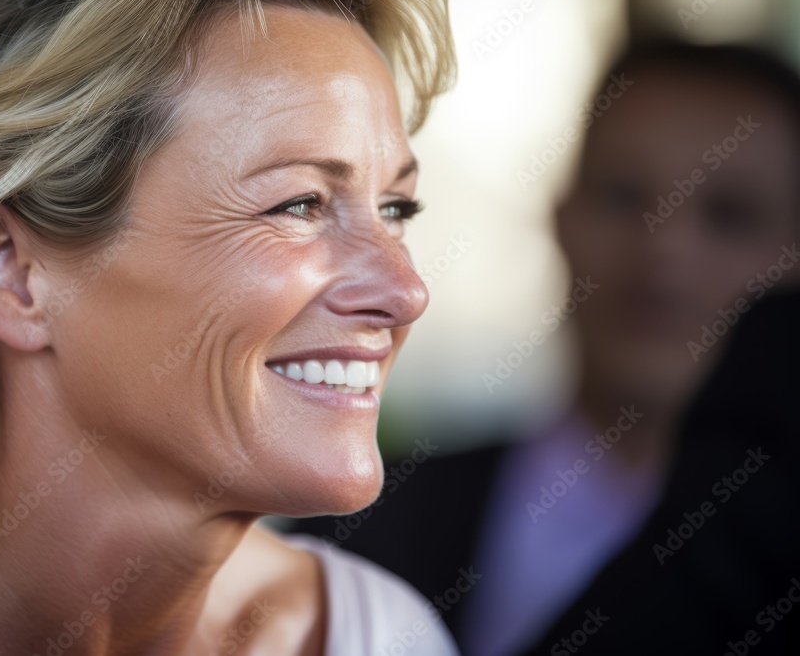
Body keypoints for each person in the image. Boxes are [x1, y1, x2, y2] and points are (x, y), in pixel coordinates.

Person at [0, 0, 459, 654]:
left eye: (396, 209)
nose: (406, 292)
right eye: (299, 204)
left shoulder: (383, 636)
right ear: (12, 272)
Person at [291, 41, 800, 654]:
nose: (665, 251)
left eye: (730, 215)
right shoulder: (351, 531)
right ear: (561, 218)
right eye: (624, 196)